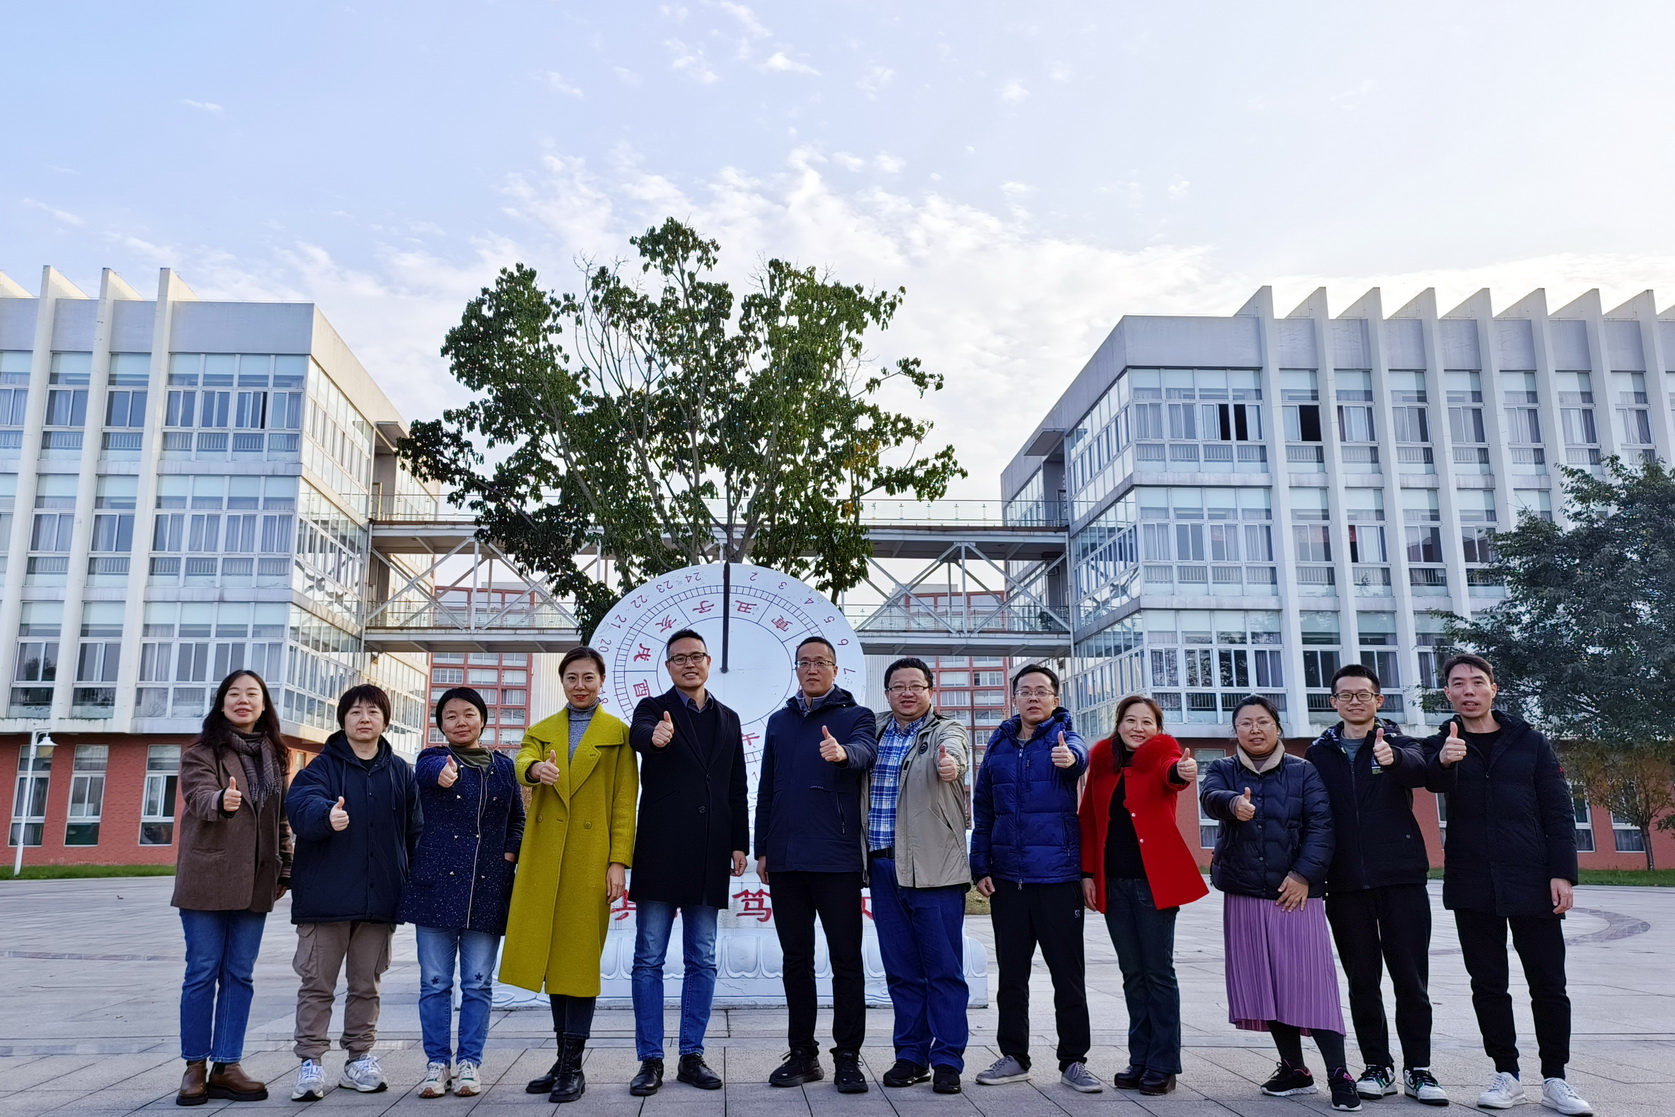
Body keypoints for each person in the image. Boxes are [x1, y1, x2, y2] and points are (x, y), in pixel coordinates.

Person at [1428, 654, 1592, 1116]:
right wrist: (1443, 762)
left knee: (1549, 984)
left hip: (1532, 879)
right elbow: (1423, 777)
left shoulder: (1530, 742)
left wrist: (1562, 873)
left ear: (1493, 689)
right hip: (1472, 880)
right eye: (1458, 684)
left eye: (1477, 682)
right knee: (1488, 984)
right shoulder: (1442, 743)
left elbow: (1558, 810)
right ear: (1448, 693)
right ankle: (1506, 1074)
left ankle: (1556, 1078)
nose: (1468, 691)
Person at [1200, 695, 1359, 1113]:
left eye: (1262, 722)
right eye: (1245, 723)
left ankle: (1339, 1073)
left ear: (1277, 727)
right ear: (1235, 730)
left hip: (1295, 894)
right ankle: (1294, 1069)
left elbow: (1322, 826)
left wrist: (1304, 875)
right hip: (1244, 891)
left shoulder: (1303, 771)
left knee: (1311, 984)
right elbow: (1210, 797)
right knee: (1265, 983)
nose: (1254, 729)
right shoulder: (1222, 769)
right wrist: (1233, 804)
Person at [1305, 664, 1451, 1106]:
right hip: (1345, 884)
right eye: (1346, 695)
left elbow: (1421, 770)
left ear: (1378, 700)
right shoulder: (1318, 754)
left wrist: (1393, 760)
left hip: (1401, 879)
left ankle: (1419, 1069)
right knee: (1362, 980)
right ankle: (1377, 1066)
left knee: (1411, 979)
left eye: (1363, 694)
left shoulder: (1399, 742)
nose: (1355, 701)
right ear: (1333, 702)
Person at [503, 646, 638, 1105]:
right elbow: (521, 760)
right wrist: (534, 769)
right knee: (551, 961)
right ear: (561, 682)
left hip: (589, 859)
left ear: (601, 681)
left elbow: (624, 804)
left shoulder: (618, 736)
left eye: (588, 677)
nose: (580, 686)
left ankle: (573, 1066)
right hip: (545, 858)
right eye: (571, 678)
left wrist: (618, 862)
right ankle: (564, 1060)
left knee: (578, 962)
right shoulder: (541, 732)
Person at [284, 683, 423, 1101]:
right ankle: (310, 1063)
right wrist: (326, 816)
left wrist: (413, 882)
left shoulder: (400, 772)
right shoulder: (321, 768)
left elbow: (415, 832)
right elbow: (301, 805)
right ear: (343, 720)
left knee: (367, 985)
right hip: (325, 900)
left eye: (373, 712)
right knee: (317, 985)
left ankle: (359, 1059)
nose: (364, 718)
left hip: (379, 900)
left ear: (385, 720)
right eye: (356, 712)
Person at [625, 629, 749, 1096]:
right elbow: (640, 736)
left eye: (696, 656)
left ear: (708, 662)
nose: (689, 664)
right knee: (648, 958)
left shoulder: (728, 718)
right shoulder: (652, 709)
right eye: (679, 658)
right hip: (660, 849)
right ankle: (650, 1059)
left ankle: (692, 1055)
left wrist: (739, 843)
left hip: (710, 851)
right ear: (668, 666)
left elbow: (736, 785)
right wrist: (655, 738)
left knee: (702, 957)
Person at [755, 635, 878, 1093]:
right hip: (786, 859)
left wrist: (843, 755)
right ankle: (803, 1054)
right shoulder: (780, 722)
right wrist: (763, 847)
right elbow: (767, 788)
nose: (812, 669)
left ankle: (847, 1055)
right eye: (804, 662)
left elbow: (865, 751)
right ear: (796, 668)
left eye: (821, 662)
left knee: (846, 960)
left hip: (836, 857)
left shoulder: (856, 716)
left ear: (835, 668)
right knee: (796, 960)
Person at [969, 664, 1101, 1094]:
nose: (1033, 698)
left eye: (1041, 691)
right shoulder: (999, 745)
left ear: (1055, 699)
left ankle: (1074, 1061)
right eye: (1025, 691)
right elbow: (984, 810)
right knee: (1011, 977)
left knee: (1068, 976)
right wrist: (980, 865)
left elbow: (1077, 758)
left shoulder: (1066, 739)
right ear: (1014, 698)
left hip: (1058, 879)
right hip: (1009, 880)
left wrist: (1070, 760)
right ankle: (1014, 1057)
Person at [398, 686, 526, 1098]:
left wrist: (508, 854)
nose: (460, 722)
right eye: (450, 716)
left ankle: (470, 1062)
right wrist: (442, 773)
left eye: (468, 714)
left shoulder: (503, 767)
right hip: (436, 887)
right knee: (435, 981)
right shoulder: (431, 757)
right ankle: (437, 1064)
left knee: (477, 982)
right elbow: (426, 772)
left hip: (486, 887)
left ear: (482, 720)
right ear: (440, 725)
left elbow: (517, 819)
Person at [171, 670, 292, 1106]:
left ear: (263, 705)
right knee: (202, 971)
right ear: (222, 703)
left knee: (240, 973)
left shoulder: (276, 755)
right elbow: (198, 795)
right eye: (234, 694)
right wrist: (222, 801)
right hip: (207, 877)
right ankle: (194, 1067)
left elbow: (280, 818)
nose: (243, 700)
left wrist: (286, 868)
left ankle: (227, 1065)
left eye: (252, 694)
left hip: (256, 879)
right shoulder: (201, 752)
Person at [1077, 694, 1207, 1097]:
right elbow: (1088, 819)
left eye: (1147, 722)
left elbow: (1175, 773)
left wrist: (1184, 770)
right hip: (1113, 883)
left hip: (1154, 883)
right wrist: (1087, 874)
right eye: (1130, 720)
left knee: (1158, 973)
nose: (1138, 728)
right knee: (1132, 974)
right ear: (1118, 725)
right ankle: (1140, 1058)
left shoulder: (1164, 756)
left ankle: (1163, 1064)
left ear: (1157, 728)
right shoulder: (1103, 763)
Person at [868, 657, 972, 1096]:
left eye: (916, 686)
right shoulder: (873, 730)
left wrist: (953, 767)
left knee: (943, 970)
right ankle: (910, 1055)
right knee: (902, 970)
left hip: (935, 869)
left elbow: (956, 754)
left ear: (931, 691)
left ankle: (947, 1059)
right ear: (887, 693)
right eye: (898, 686)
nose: (907, 693)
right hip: (882, 867)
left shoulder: (946, 731)